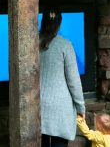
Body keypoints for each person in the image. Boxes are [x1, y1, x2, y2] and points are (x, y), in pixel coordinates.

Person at [40, 8, 86, 147]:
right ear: (59, 24)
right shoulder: (65, 45)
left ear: (42, 22)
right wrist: (81, 108)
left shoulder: (31, 42)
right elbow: (73, 81)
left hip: (36, 105)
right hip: (60, 109)